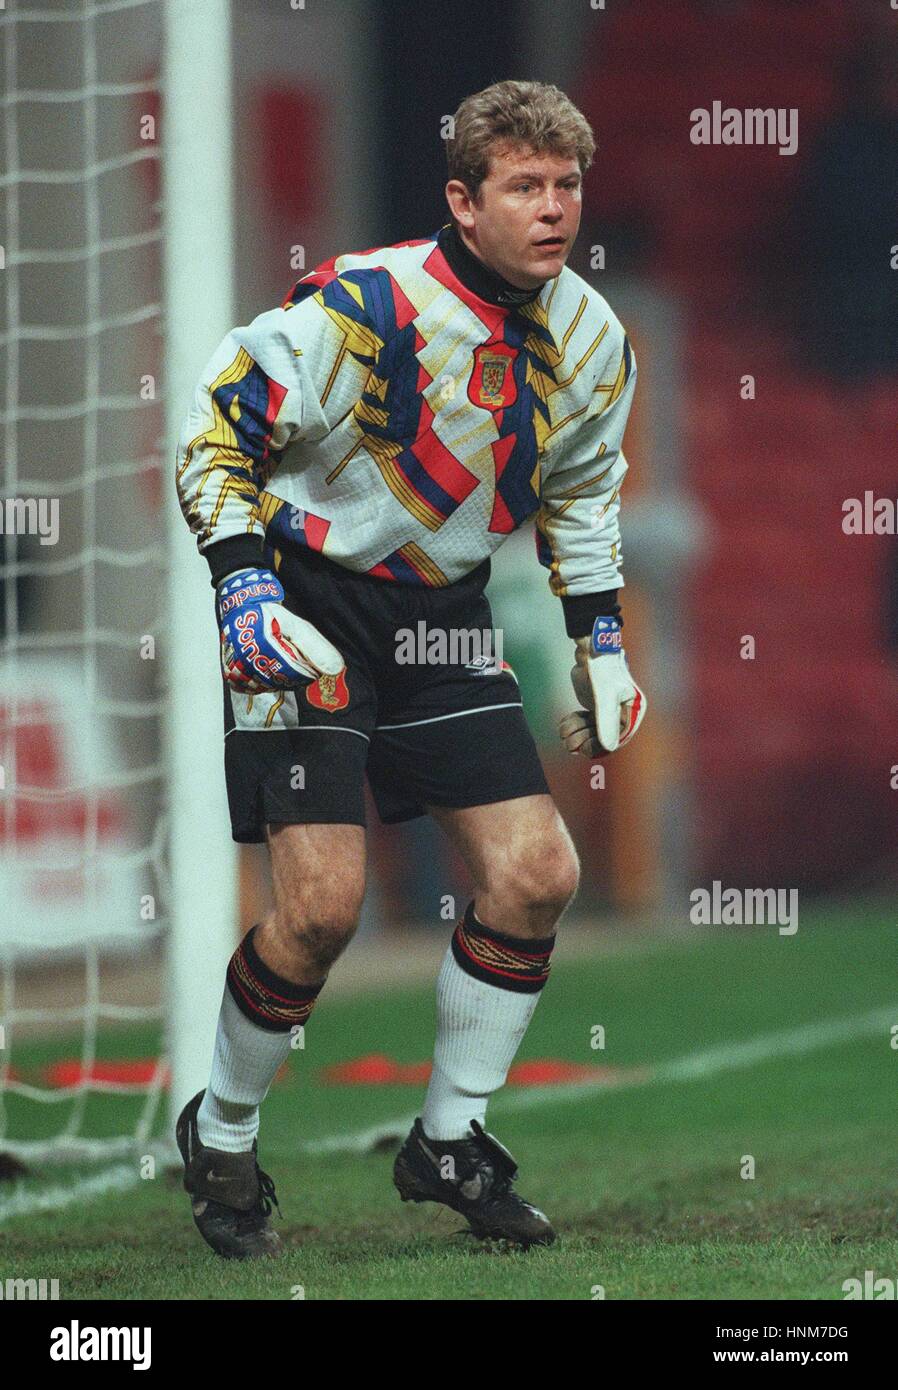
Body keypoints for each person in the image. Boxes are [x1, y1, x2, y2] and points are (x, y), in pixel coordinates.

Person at [173, 79, 646, 1258]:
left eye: (566, 186)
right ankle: (223, 1131)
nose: (552, 210)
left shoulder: (593, 336)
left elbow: (584, 493)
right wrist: (241, 586)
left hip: (443, 613)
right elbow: (213, 435)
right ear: (462, 198)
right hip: (306, 604)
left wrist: (600, 640)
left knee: (538, 873)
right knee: (322, 910)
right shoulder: (361, 305)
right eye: (524, 187)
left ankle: (448, 1142)